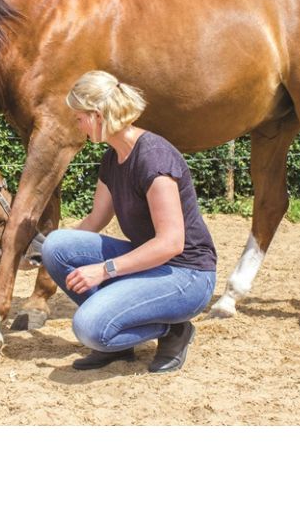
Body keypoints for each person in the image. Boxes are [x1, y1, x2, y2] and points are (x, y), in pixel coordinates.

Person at [41, 70, 217, 373]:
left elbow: (171, 242)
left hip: (187, 274)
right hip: (153, 264)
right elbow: (96, 219)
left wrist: (104, 270)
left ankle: (175, 329)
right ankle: (118, 342)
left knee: (89, 328)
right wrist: (37, 252)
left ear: (97, 115)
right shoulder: (113, 158)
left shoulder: (153, 157)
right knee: (55, 245)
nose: (78, 124)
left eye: (79, 117)